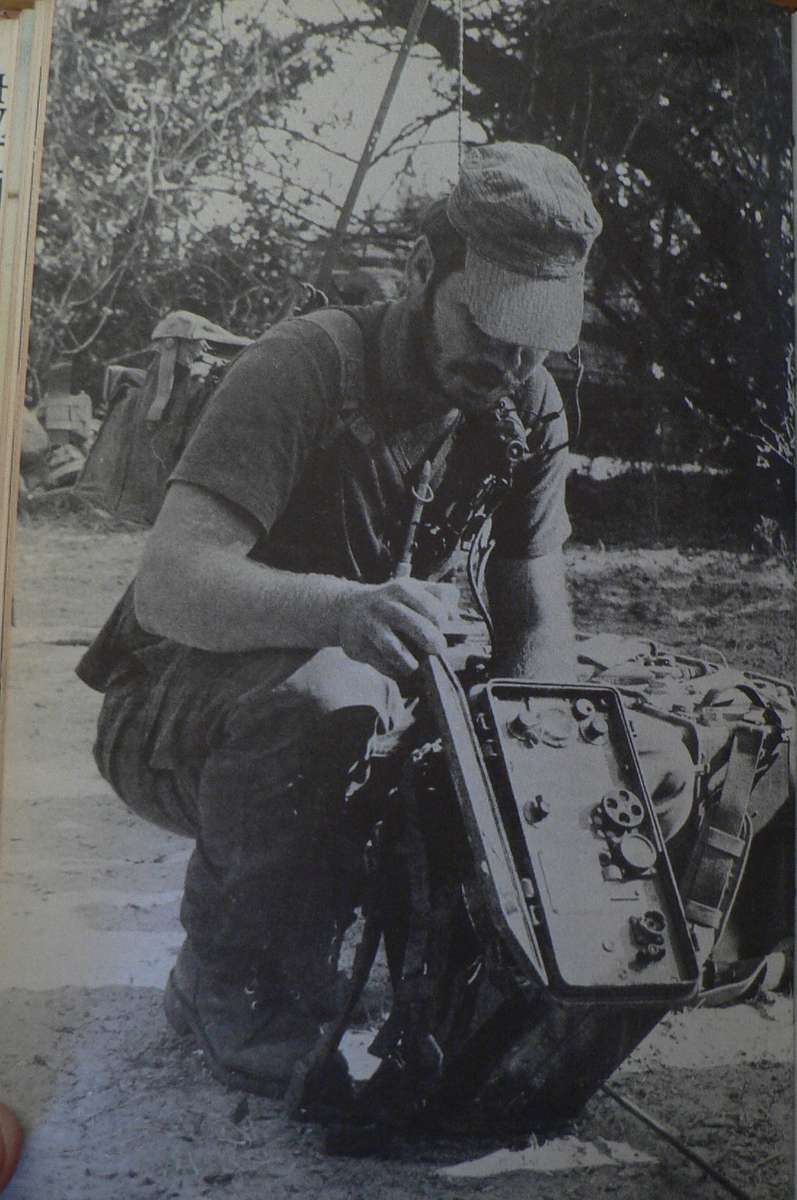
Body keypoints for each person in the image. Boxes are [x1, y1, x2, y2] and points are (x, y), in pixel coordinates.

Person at [77, 142, 693, 1098]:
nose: (510, 359)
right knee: (329, 694)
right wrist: (343, 609)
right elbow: (170, 584)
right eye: (486, 324)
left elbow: (531, 586)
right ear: (420, 272)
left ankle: (447, 973)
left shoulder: (525, 398)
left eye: (535, 333)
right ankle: (229, 976)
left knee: (598, 731)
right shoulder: (305, 365)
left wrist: (539, 746)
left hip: (370, 689)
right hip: (182, 708)